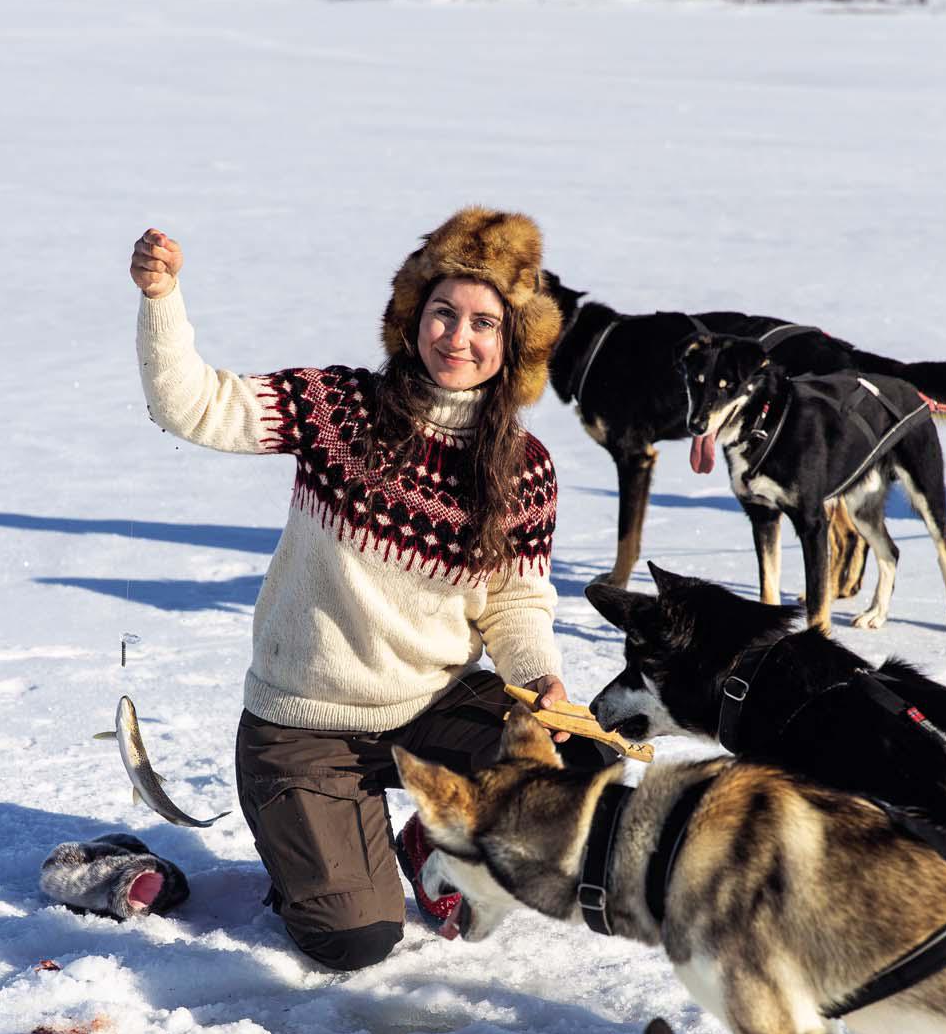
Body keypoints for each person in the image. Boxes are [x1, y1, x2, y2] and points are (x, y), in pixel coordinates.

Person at [129, 206, 614, 972]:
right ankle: (311, 852)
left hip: (433, 707)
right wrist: (162, 300)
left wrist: (537, 682)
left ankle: (433, 834)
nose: (458, 337)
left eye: (483, 322)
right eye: (443, 313)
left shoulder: (523, 466)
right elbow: (192, 405)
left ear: (512, 341)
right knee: (356, 939)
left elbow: (515, 600)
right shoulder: (341, 410)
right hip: (303, 728)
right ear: (411, 318)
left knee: (579, 770)